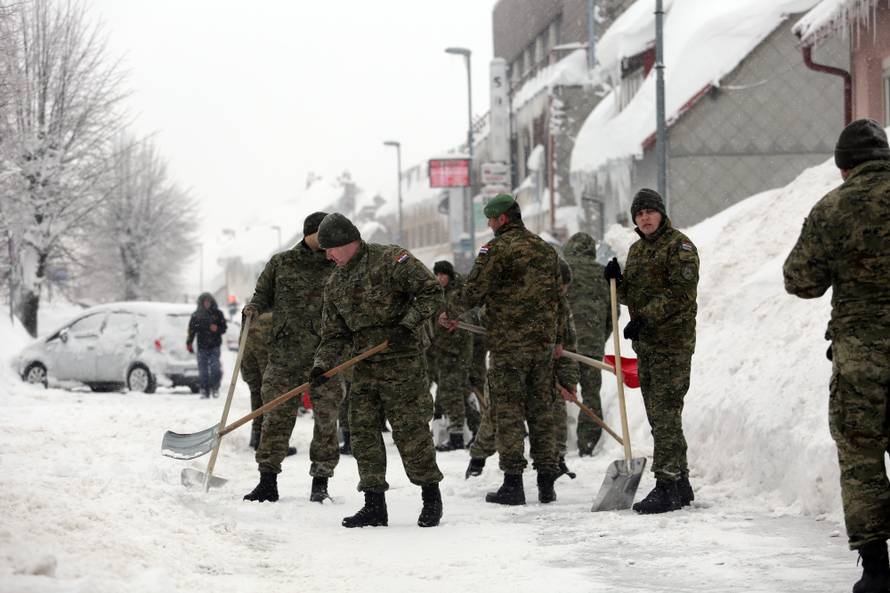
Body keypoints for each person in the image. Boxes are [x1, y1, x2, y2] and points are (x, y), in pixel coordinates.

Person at [783, 118, 890, 593]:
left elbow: (800, 280)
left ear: (843, 167)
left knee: (862, 455)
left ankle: (876, 570)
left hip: (862, 356)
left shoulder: (832, 208)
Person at [310, 213, 445, 528]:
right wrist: (321, 365)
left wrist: (406, 325)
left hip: (402, 362)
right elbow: (334, 335)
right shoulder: (335, 283)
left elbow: (430, 291)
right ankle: (374, 504)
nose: (328, 256)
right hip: (364, 367)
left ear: (348, 242)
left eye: (330, 249)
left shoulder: (390, 259)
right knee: (363, 434)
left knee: (411, 431)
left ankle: (431, 498)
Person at [443, 193, 563, 505]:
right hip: (542, 345)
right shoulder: (545, 249)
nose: (488, 224)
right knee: (541, 411)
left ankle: (513, 483)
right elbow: (558, 298)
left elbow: (474, 289)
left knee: (508, 413)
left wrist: (449, 312)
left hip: (510, 347)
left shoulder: (496, 249)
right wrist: (557, 337)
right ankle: (547, 481)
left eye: (490, 219)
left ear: (502, 219)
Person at [604, 188, 699, 514]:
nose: (644, 217)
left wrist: (644, 318)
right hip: (647, 346)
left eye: (649, 211)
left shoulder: (680, 247)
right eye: (639, 213)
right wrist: (616, 281)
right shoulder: (638, 251)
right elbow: (632, 294)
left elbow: (680, 294)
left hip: (672, 345)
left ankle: (667, 485)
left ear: (661, 213)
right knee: (662, 417)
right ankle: (681, 482)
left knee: (665, 415)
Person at [241, 212, 342, 504]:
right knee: (276, 417)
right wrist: (253, 309)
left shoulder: (339, 264)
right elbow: (262, 296)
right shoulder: (282, 263)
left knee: (326, 420)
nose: (327, 243)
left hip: (328, 354)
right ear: (309, 234)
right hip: (285, 354)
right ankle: (267, 481)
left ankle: (320, 481)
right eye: (322, 236)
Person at [563, 232, 612, 456]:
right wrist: (600, 335)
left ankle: (555, 444)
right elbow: (614, 312)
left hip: (564, 345)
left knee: (557, 392)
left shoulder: (562, 272)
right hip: (592, 344)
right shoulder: (603, 274)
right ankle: (588, 443)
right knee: (591, 393)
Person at [429, 260, 474, 452]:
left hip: (456, 353)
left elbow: (464, 320)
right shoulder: (438, 295)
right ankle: (476, 428)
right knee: (460, 393)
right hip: (442, 352)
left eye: (443, 275)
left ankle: (456, 436)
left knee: (452, 393)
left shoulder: (456, 295)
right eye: (437, 275)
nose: (440, 279)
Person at [239, 311, 296, 456]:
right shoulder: (273, 313)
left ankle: (257, 436)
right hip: (261, 348)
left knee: (257, 392)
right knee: (270, 393)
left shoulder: (253, 309)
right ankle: (270, 443)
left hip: (246, 345)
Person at [554, 259, 580, 479]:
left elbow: (570, 345)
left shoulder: (563, 306)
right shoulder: (533, 306)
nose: (563, 292)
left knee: (557, 412)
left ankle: (558, 460)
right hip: (525, 368)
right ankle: (478, 460)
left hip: (553, 364)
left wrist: (569, 383)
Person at [186, 292, 227, 398]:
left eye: (209, 301)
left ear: (212, 302)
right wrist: (189, 343)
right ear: (201, 302)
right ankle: (204, 390)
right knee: (203, 370)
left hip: (215, 345)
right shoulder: (196, 315)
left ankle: (215, 388)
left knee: (215, 368)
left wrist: (217, 329)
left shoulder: (218, 314)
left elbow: (224, 328)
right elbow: (191, 330)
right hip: (202, 345)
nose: (207, 303)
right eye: (205, 301)